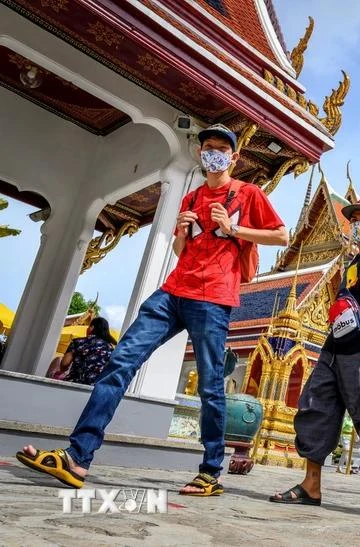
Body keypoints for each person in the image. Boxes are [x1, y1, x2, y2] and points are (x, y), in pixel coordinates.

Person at [17, 124, 288, 496]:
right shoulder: (191, 199)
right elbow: (181, 253)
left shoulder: (248, 194)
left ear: (234, 157)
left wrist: (234, 229)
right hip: (173, 291)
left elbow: (281, 235)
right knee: (119, 362)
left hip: (213, 298)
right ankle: (77, 457)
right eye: (208, 147)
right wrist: (180, 232)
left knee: (210, 387)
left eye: (222, 148)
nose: (214, 153)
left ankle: (211, 472)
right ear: (200, 153)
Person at [270, 199, 360, 513]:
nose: (357, 223)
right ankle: (311, 485)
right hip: (333, 348)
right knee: (315, 407)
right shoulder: (350, 263)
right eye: (353, 218)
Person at [59, 317, 118, 386]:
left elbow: (64, 363)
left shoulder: (78, 342)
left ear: (92, 327)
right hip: (95, 388)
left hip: (74, 383)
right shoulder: (110, 348)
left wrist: (61, 370)